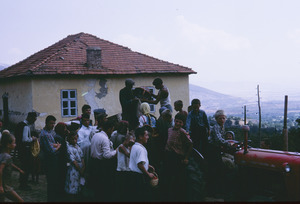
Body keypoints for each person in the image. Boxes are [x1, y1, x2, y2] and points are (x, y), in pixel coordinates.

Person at [161, 113, 193, 202]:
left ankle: (177, 198)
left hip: (177, 157)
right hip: (168, 156)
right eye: (177, 121)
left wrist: (186, 158)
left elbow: (190, 144)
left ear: (183, 124)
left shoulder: (183, 132)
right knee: (167, 177)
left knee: (177, 179)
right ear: (174, 121)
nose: (178, 123)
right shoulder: (169, 130)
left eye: (180, 122)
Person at [206, 110, 233, 197]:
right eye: (220, 118)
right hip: (212, 150)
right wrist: (229, 144)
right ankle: (214, 192)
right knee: (216, 170)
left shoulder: (222, 127)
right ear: (216, 119)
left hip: (217, 149)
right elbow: (218, 139)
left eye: (223, 118)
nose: (222, 120)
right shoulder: (216, 127)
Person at [90, 120, 117, 202]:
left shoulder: (96, 135)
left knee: (97, 185)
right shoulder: (104, 138)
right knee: (104, 185)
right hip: (101, 165)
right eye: (112, 129)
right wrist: (116, 151)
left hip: (94, 163)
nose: (112, 132)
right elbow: (107, 155)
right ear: (109, 129)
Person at [129, 127, 155, 202]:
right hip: (139, 177)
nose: (148, 137)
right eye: (146, 135)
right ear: (140, 137)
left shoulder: (134, 146)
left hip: (133, 175)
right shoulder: (140, 149)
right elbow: (139, 165)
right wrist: (148, 174)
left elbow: (137, 161)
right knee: (142, 197)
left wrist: (148, 165)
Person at [39, 115, 62, 202]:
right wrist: (58, 146)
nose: (53, 125)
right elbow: (52, 150)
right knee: (51, 182)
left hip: (54, 159)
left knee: (54, 181)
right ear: (46, 123)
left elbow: (55, 143)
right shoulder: (44, 134)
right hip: (49, 160)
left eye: (54, 123)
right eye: (51, 123)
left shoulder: (51, 132)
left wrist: (56, 145)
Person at [15, 112, 37, 190]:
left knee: (23, 166)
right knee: (26, 167)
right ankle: (23, 184)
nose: (34, 121)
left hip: (20, 149)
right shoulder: (25, 127)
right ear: (30, 118)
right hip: (25, 150)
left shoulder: (19, 125)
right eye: (34, 119)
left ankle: (22, 182)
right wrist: (32, 139)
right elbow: (25, 140)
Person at [0, 132, 24, 202]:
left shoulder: (2, 154)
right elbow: (0, 170)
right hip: (5, 186)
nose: (15, 145)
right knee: (20, 201)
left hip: (4, 185)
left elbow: (9, 164)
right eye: (14, 143)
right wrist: (1, 186)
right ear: (8, 145)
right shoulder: (7, 157)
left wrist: (19, 169)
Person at [65, 131, 85, 202]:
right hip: (74, 169)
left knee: (78, 187)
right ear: (69, 139)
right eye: (72, 139)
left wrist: (83, 167)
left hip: (80, 168)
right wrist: (80, 170)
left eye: (75, 139)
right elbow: (73, 161)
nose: (74, 140)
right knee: (72, 187)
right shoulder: (69, 148)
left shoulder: (78, 147)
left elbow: (82, 157)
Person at [115, 134, 135, 201]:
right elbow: (129, 155)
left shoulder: (128, 147)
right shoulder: (121, 147)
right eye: (130, 141)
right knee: (122, 188)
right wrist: (132, 145)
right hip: (121, 170)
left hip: (127, 170)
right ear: (126, 140)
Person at [54, 122, 69, 201]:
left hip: (61, 161)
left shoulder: (60, 136)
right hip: (60, 162)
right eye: (64, 128)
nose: (66, 130)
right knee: (61, 179)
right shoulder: (58, 137)